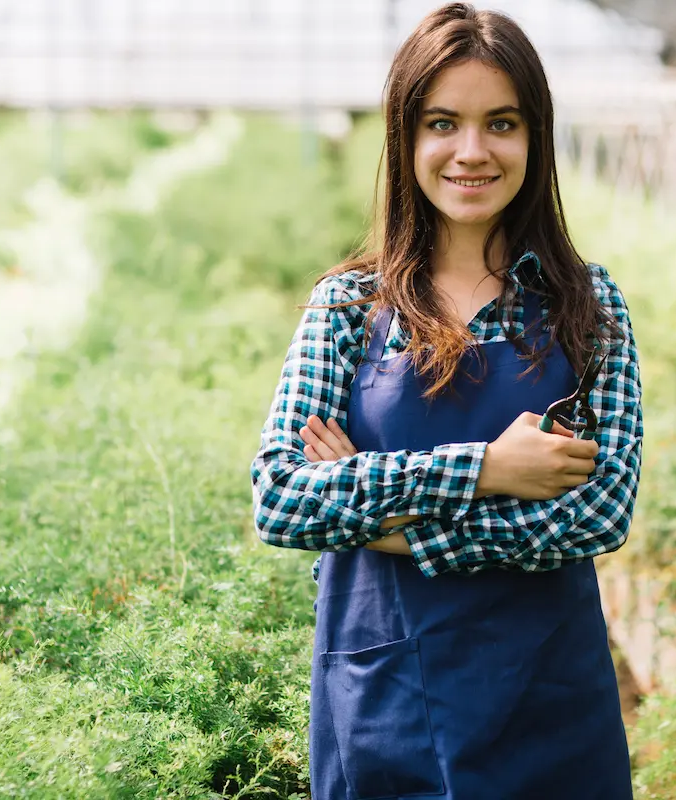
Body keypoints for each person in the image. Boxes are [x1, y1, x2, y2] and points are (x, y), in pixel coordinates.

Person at [250, 3, 643, 799]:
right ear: (406, 139)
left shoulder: (591, 306)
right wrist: (488, 470)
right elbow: (284, 499)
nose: (472, 151)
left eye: (501, 123)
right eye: (442, 122)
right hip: (386, 695)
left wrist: (385, 527)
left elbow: (598, 514)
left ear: (536, 137)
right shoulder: (347, 309)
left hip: (548, 698)